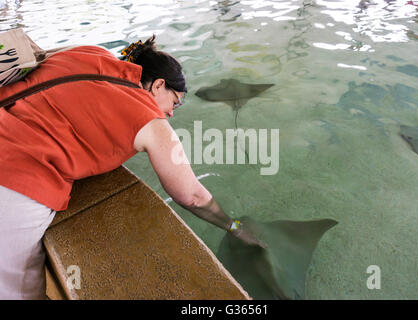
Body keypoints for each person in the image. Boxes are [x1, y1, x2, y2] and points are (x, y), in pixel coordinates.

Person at [0, 35, 264, 300]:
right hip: (14, 174)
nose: (172, 113)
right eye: (175, 102)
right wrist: (235, 227)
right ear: (159, 85)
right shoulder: (148, 118)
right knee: (19, 289)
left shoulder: (93, 52)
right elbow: (192, 196)